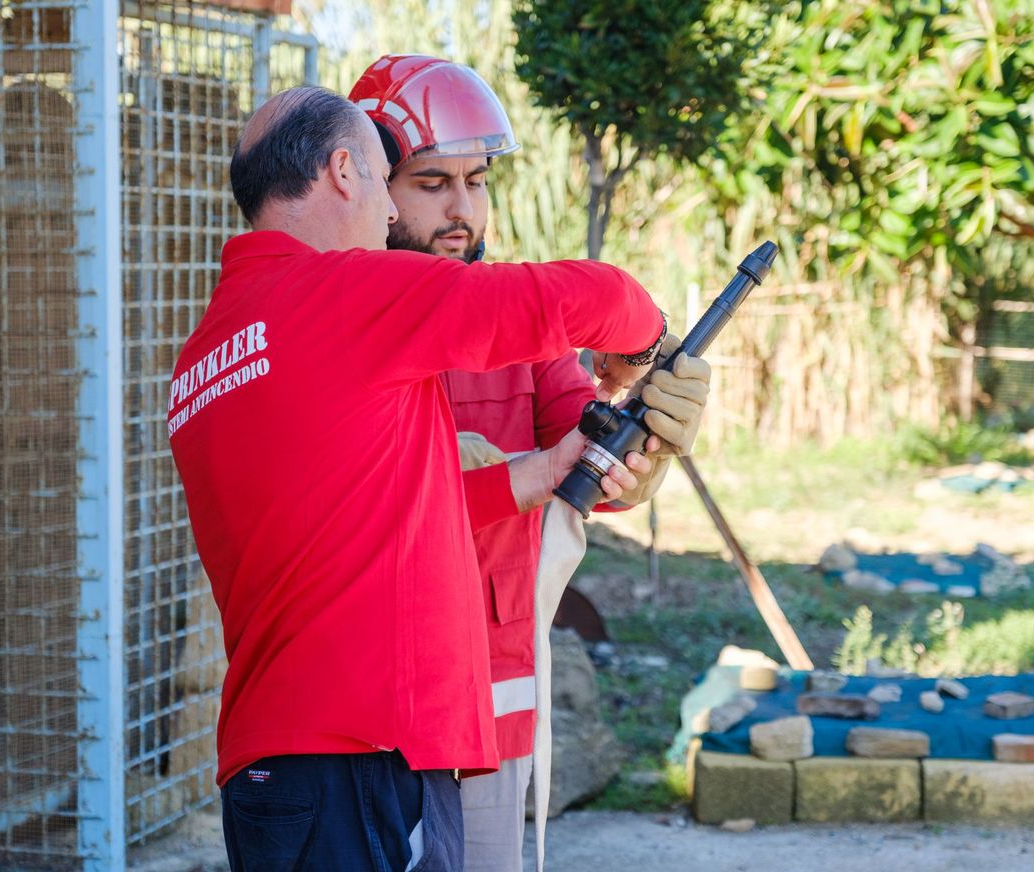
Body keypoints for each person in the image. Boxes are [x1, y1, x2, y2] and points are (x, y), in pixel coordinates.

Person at [167, 85, 670, 872]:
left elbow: (361, 521)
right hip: (359, 757)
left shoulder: (209, 353)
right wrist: (644, 345)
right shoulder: (345, 291)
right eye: (386, 181)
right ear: (342, 172)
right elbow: (584, 297)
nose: (393, 217)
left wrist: (534, 476)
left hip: (273, 764)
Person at [349, 56, 711, 872]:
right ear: (371, 182)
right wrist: (506, 475)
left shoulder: (521, 328)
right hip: (365, 712)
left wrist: (640, 441)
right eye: (431, 183)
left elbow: (585, 452)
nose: (462, 210)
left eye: (476, 182)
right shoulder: (341, 322)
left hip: (490, 703)